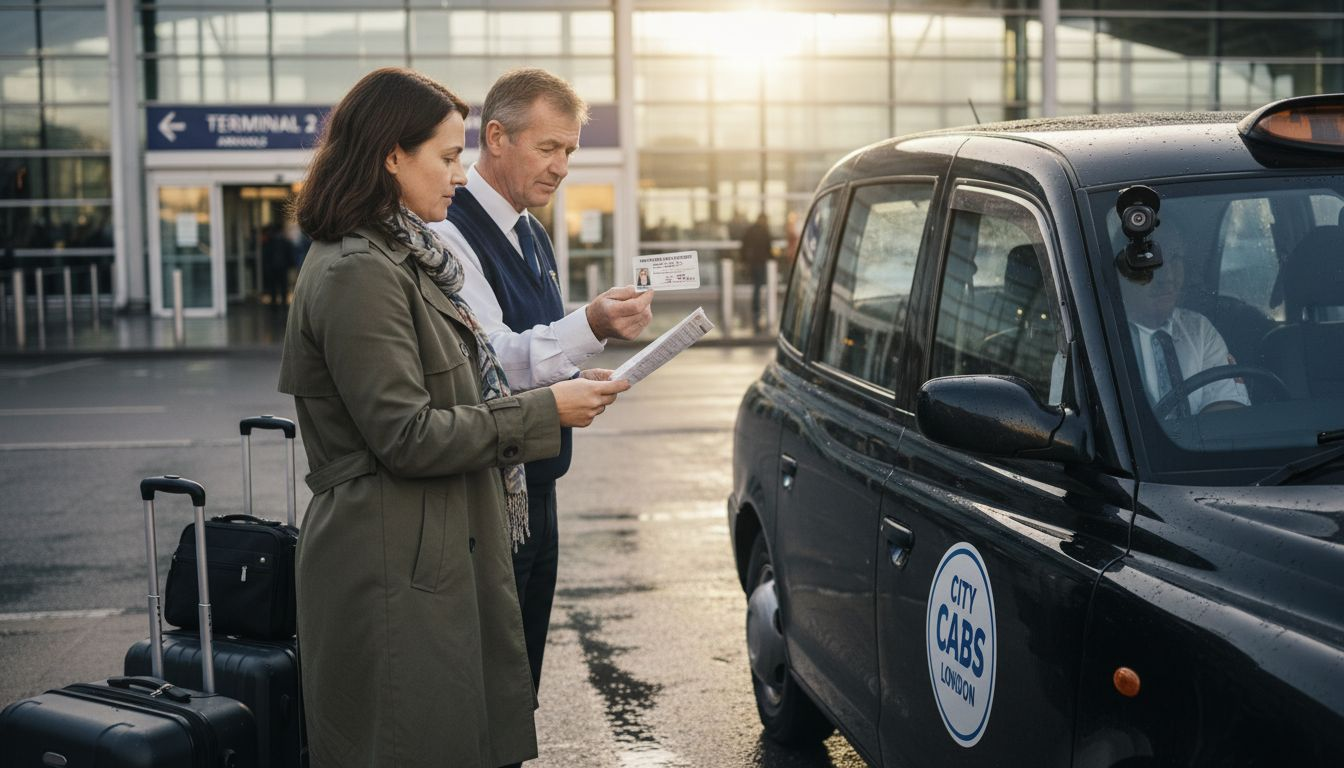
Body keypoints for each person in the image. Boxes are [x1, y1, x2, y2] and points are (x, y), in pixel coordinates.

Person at [277, 67, 630, 767]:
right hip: (392, 561)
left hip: (426, 548)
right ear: (390, 155)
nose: (462, 175)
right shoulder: (358, 270)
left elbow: (467, 382)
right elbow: (405, 435)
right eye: (446, 157)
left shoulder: (406, 257)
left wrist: (549, 387)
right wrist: (545, 411)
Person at [428, 68, 653, 705]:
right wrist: (593, 321)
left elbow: (533, 344)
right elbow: (490, 360)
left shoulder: (528, 229)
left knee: (521, 679)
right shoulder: (451, 230)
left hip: (538, 485)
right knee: (488, 685)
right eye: (547, 147)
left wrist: (581, 370)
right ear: (495, 138)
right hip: (490, 495)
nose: (561, 166)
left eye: (571, 151)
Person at [1118, 234, 1248, 416]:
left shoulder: (1199, 330)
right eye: (1150, 261)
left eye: (1175, 259)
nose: (1168, 277)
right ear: (1122, 273)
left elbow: (1228, 416)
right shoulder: (1101, 335)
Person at [740, 212, 772, 332]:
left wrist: (744, 261)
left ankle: (756, 307)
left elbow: (743, 246)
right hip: (760, 263)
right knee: (758, 286)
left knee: (756, 286)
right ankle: (756, 307)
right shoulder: (764, 231)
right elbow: (769, 248)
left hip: (753, 263)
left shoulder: (751, 230)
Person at [261, 222, 293, 306]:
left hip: (273, 267)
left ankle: (274, 301)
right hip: (282, 266)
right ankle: (283, 301)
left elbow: (267, 254)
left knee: (274, 285)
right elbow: (289, 253)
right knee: (283, 285)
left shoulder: (270, 241)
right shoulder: (285, 241)